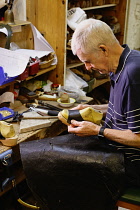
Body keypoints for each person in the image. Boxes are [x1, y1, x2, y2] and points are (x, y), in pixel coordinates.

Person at [20, 18, 140, 210]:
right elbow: (124, 109)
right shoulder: (122, 63)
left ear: (103, 49)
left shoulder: (133, 74)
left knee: (55, 162)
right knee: (49, 150)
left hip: (133, 164)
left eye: (88, 61)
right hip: (118, 149)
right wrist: (94, 109)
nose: (87, 68)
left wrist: (98, 131)